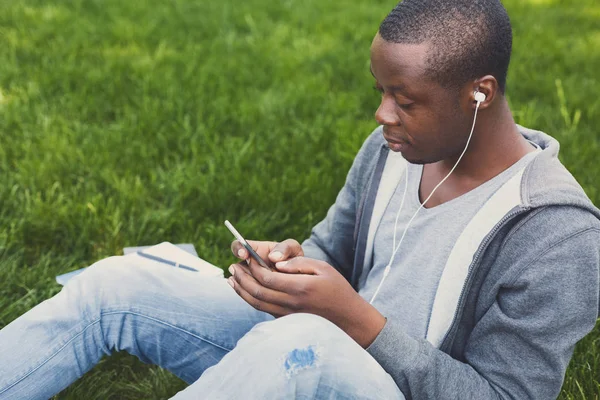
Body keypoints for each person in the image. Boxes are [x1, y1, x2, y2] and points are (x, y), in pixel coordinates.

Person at [1, 0, 598, 398]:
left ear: (479, 94)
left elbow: (505, 395)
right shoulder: (394, 148)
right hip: (324, 345)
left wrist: (351, 319)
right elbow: (329, 250)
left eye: (405, 99)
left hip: (363, 369)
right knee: (119, 285)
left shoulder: (556, 235)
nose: (382, 114)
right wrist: (289, 268)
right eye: (380, 91)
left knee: (299, 342)